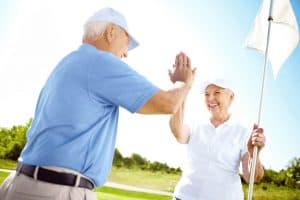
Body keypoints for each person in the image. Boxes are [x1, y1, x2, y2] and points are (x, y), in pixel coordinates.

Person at [0, 7, 196, 200]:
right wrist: (184, 81)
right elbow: (168, 103)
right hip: (56, 190)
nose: (126, 53)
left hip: (20, 183)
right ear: (111, 32)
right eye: (126, 43)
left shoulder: (67, 63)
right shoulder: (99, 62)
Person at [168, 78, 266, 200]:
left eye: (217, 93)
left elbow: (252, 177)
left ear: (231, 97)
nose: (210, 98)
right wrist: (182, 90)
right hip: (184, 197)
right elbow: (178, 133)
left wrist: (253, 154)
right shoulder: (195, 124)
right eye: (207, 94)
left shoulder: (243, 132)